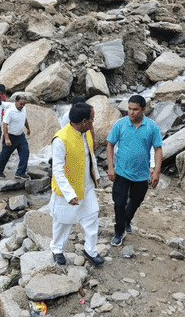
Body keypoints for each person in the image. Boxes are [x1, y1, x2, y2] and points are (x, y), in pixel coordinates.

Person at [50, 102, 103, 266]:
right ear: (84, 122)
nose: (93, 122)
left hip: (86, 186)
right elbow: (57, 170)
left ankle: (90, 251)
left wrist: (96, 175)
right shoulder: (61, 139)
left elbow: (90, 155)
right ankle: (57, 249)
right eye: (92, 120)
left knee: (92, 217)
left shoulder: (85, 133)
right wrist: (69, 193)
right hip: (68, 190)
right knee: (63, 222)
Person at [106, 95, 163, 247]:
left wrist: (156, 171)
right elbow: (110, 144)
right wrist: (110, 167)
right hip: (122, 172)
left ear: (143, 109)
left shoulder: (152, 127)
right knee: (119, 203)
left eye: (135, 109)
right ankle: (119, 232)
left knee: (136, 201)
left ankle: (126, 220)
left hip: (141, 173)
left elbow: (158, 148)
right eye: (129, 109)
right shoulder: (121, 124)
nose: (131, 112)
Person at [0, 95, 31, 179]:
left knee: (25, 153)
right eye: (21, 104)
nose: (22, 106)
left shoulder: (23, 109)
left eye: (24, 104)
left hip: (21, 136)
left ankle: (20, 173)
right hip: (11, 136)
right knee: (5, 154)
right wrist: (7, 138)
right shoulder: (10, 111)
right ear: (16, 102)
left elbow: (24, 119)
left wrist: (28, 128)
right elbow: (5, 124)